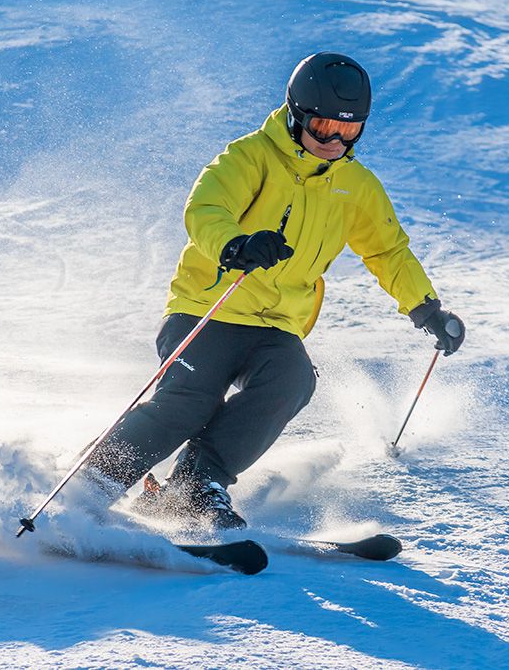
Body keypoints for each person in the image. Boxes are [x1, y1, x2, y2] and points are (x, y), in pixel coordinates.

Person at [78, 52, 465, 530]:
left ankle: (194, 486)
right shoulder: (249, 157)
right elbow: (205, 208)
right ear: (297, 115)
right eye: (323, 126)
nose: (334, 141)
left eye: (348, 131)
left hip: (277, 324)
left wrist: (425, 307)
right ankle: (91, 481)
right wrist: (235, 245)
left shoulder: (357, 186)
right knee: (190, 401)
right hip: (208, 308)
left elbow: (387, 251)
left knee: (292, 381)